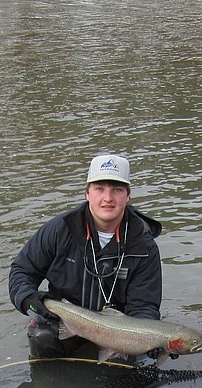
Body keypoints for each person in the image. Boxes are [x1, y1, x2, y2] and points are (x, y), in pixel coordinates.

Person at [9, 153, 164, 359]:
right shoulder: (59, 230)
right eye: (100, 189)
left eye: (116, 190)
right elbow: (22, 271)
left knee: (135, 356)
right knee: (41, 335)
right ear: (87, 193)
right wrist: (29, 299)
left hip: (117, 331)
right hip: (66, 319)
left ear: (128, 196)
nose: (107, 198)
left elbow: (143, 305)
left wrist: (150, 337)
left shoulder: (144, 246)